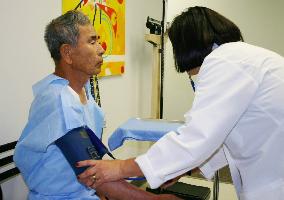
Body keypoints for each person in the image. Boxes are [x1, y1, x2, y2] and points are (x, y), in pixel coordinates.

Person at [77, 6, 284, 200]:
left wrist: (120, 168)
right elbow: (222, 137)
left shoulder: (224, 62)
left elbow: (197, 137)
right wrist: (184, 168)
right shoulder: (244, 58)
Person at [13, 10, 180, 200]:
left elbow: (95, 168)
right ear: (67, 53)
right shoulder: (59, 102)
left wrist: (155, 172)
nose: (101, 49)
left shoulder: (83, 90)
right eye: (92, 42)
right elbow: (91, 174)